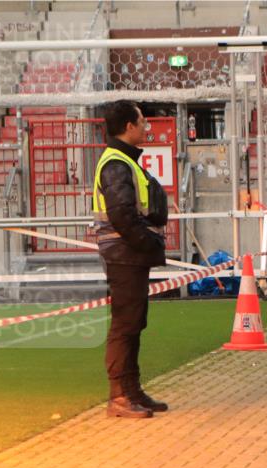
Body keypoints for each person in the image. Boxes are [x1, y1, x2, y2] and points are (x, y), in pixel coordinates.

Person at [93, 100, 170, 418]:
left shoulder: (122, 161)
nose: (146, 127)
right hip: (125, 254)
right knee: (125, 325)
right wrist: (148, 242)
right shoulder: (116, 164)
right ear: (128, 126)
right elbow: (123, 216)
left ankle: (132, 390)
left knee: (134, 323)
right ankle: (120, 396)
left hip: (129, 254)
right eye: (142, 121)